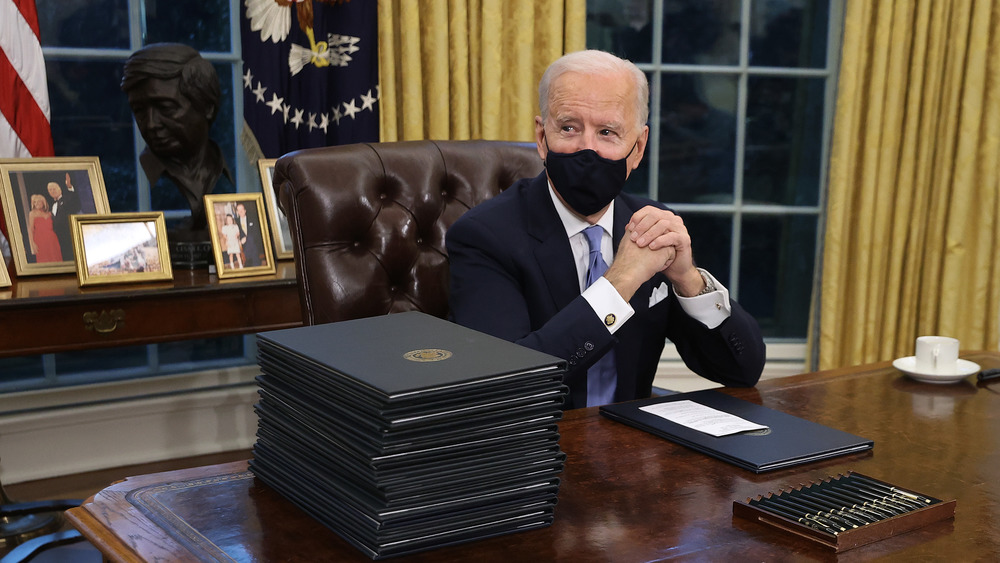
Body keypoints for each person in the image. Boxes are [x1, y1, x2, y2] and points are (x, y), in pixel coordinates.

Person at [446, 50, 766, 410]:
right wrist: (620, 283)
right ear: (541, 136)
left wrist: (689, 281)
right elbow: (507, 386)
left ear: (638, 147)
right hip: (535, 449)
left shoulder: (652, 225)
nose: (587, 148)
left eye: (607, 132)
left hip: (632, 443)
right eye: (569, 127)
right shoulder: (483, 236)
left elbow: (743, 370)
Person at [121, 43, 233, 232]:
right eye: (139, 111)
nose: (150, 124)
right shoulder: (132, 185)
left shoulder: (231, 174)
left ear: (207, 107)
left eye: (166, 108)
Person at [48, 175, 80, 261]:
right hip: (59, 239)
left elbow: (74, 200)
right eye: (50, 190)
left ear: (60, 188)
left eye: (54, 188)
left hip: (70, 236)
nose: (52, 191)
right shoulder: (53, 206)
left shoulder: (67, 199)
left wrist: (69, 187)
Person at [27, 193, 63, 263]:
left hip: (53, 240)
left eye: (38, 201)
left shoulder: (50, 214)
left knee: (56, 260)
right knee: (44, 261)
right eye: (34, 202)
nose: (36, 203)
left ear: (43, 202)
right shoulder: (32, 214)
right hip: (40, 241)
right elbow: (31, 230)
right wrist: (32, 244)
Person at [235, 203, 264, 267]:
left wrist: (246, 238)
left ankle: (249, 261)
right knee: (250, 246)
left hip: (254, 242)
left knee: (250, 239)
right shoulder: (236, 222)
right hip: (244, 245)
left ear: (245, 210)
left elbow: (256, 232)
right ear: (237, 212)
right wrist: (238, 239)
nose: (241, 212)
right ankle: (254, 263)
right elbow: (234, 233)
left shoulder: (252, 219)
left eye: (242, 209)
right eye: (238, 210)